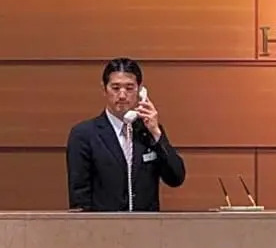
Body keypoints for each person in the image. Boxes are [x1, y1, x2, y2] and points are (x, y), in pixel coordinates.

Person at [66, 57, 186, 212]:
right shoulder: (84, 134)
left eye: (129, 88)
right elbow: (80, 198)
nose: (122, 95)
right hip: (104, 225)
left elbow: (176, 178)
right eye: (115, 88)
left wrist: (156, 133)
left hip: (146, 224)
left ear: (140, 90)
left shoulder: (148, 131)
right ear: (104, 89)